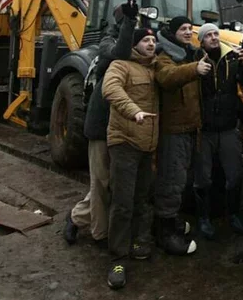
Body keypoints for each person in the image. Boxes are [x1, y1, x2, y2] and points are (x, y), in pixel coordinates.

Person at [65, 0, 139, 246]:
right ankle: (99, 233)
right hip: (101, 124)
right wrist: (130, 21)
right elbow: (121, 51)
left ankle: (76, 217)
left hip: (124, 125)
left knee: (113, 182)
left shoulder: (138, 42)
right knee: (100, 181)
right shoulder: (107, 44)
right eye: (129, 19)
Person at [103, 27, 160, 290]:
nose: (151, 44)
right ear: (136, 44)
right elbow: (111, 89)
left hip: (147, 145)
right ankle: (117, 259)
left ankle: (139, 242)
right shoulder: (120, 65)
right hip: (125, 143)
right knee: (122, 203)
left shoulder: (155, 69)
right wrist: (133, 111)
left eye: (154, 40)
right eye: (146, 40)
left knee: (142, 198)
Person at [192, 22, 243, 239]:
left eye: (215, 34)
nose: (213, 37)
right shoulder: (194, 60)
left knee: (234, 174)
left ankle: (234, 214)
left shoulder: (232, 58)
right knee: (203, 178)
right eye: (208, 35)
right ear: (201, 40)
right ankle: (204, 218)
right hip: (205, 129)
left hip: (229, 128)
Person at [153, 16, 204, 256]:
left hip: (190, 128)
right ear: (172, 33)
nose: (188, 32)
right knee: (171, 181)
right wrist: (195, 69)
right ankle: (164, 233)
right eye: (183, 29)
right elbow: (167, 77)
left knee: (182, 180)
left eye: (190, 29)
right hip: (174, 129)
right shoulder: (164, 56)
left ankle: (172, 221)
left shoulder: (191, 53)